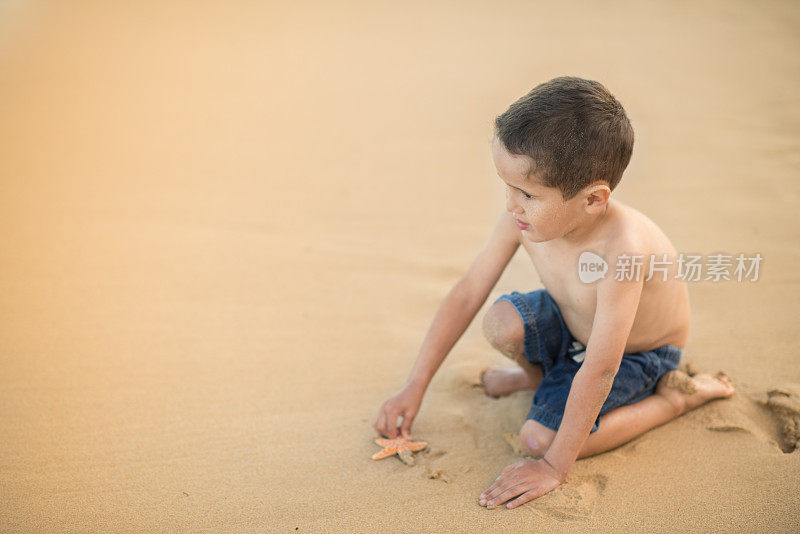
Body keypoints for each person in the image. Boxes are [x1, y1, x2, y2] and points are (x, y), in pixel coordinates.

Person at [371, 76, 735, 509]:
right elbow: (470, 292)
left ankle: (672, 401)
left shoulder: (623, 252)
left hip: (638, 354)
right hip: (575, 324)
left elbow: (602, 367)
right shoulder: (524, 216)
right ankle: (539, 378)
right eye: (507, 186)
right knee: (502, 322)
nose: (511, 205)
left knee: (537, 438)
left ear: (593, 200)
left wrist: (553, 466)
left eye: (526, 193)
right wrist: (415, 385)